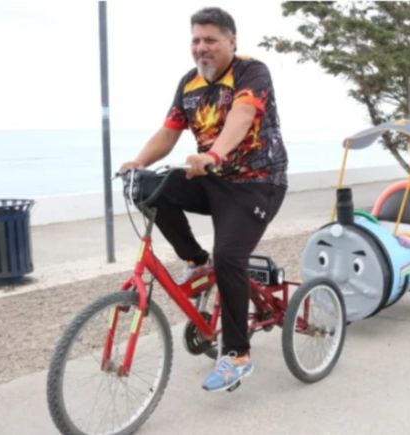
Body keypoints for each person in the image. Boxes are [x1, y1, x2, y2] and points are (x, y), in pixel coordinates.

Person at [119, 7, 287, 392]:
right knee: (146, 187)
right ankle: (196, 261)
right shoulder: (188, 83)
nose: (201, 48)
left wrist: (213, 155)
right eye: (196, 40)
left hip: (257, 184)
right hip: (212, 182)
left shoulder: (251, 72)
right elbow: (169, 132)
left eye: (210, 40)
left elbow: (242, 115)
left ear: (232, 41)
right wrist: (139, 162)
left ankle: (238, 354)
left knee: (230, 257)